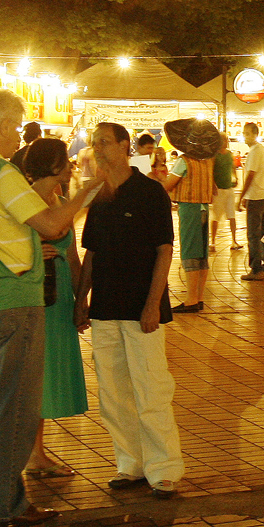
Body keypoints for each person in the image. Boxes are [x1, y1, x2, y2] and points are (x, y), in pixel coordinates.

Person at [0, 92, 99, 527]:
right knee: (14, 409)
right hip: (15, 302)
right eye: (14, 127)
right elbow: (52, 224)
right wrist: (85, 192)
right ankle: (5, 505)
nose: (17, 135)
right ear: (0, 127)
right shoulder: (0, 172)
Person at [75, 122, 184, 498]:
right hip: (105, 306)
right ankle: (130, 463)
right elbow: (92, 252)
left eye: (104, 142)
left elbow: (164, 249)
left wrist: (153, 303)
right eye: (94, 143)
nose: (98, 148)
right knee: (113, 392)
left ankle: (163, 469)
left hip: (142, 308)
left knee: (151, 388)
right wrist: (81, 300)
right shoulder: (100, 195)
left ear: (125, 147)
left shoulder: (150, 192)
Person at [17, 137, 92, 478]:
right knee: (35, 374)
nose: (72, 165)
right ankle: (32, 454)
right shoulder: (24, 200)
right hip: (34, 294)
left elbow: (73, 255)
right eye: (67, 161)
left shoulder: (59, 200)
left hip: (58, 294)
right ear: (56, 166)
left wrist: (81, 299)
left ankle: (37, 453)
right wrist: (31, 254)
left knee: (45, 373)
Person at [161, 118, 224, 314]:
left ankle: (190, 300)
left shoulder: (184, 161)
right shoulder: (207, 162)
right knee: (201, 255)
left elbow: (168, 185)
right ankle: (199, 297)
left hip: (189, 208)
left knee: (189, 253)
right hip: (204, 208)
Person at [240, 124, 264, 280]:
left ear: (255, 134)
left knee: (254, 235)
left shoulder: (255, 151)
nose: (245, 136)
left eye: (248, 133)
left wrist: (242, 195)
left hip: (257, 198)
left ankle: (256, 270)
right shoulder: (262, 150)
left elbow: (250, 175)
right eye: (244, 133)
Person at [209, 141, 240, 252]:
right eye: (223, 140)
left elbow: (233, 167)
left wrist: (236, 178)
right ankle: (212, 241)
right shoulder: (214, 155)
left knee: (231, 215)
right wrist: (212, 185)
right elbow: (210, 171)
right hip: (219, 189)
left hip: (228, 188)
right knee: (216, 216)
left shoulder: (229, 154)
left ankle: (234, 240)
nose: (225, 142)